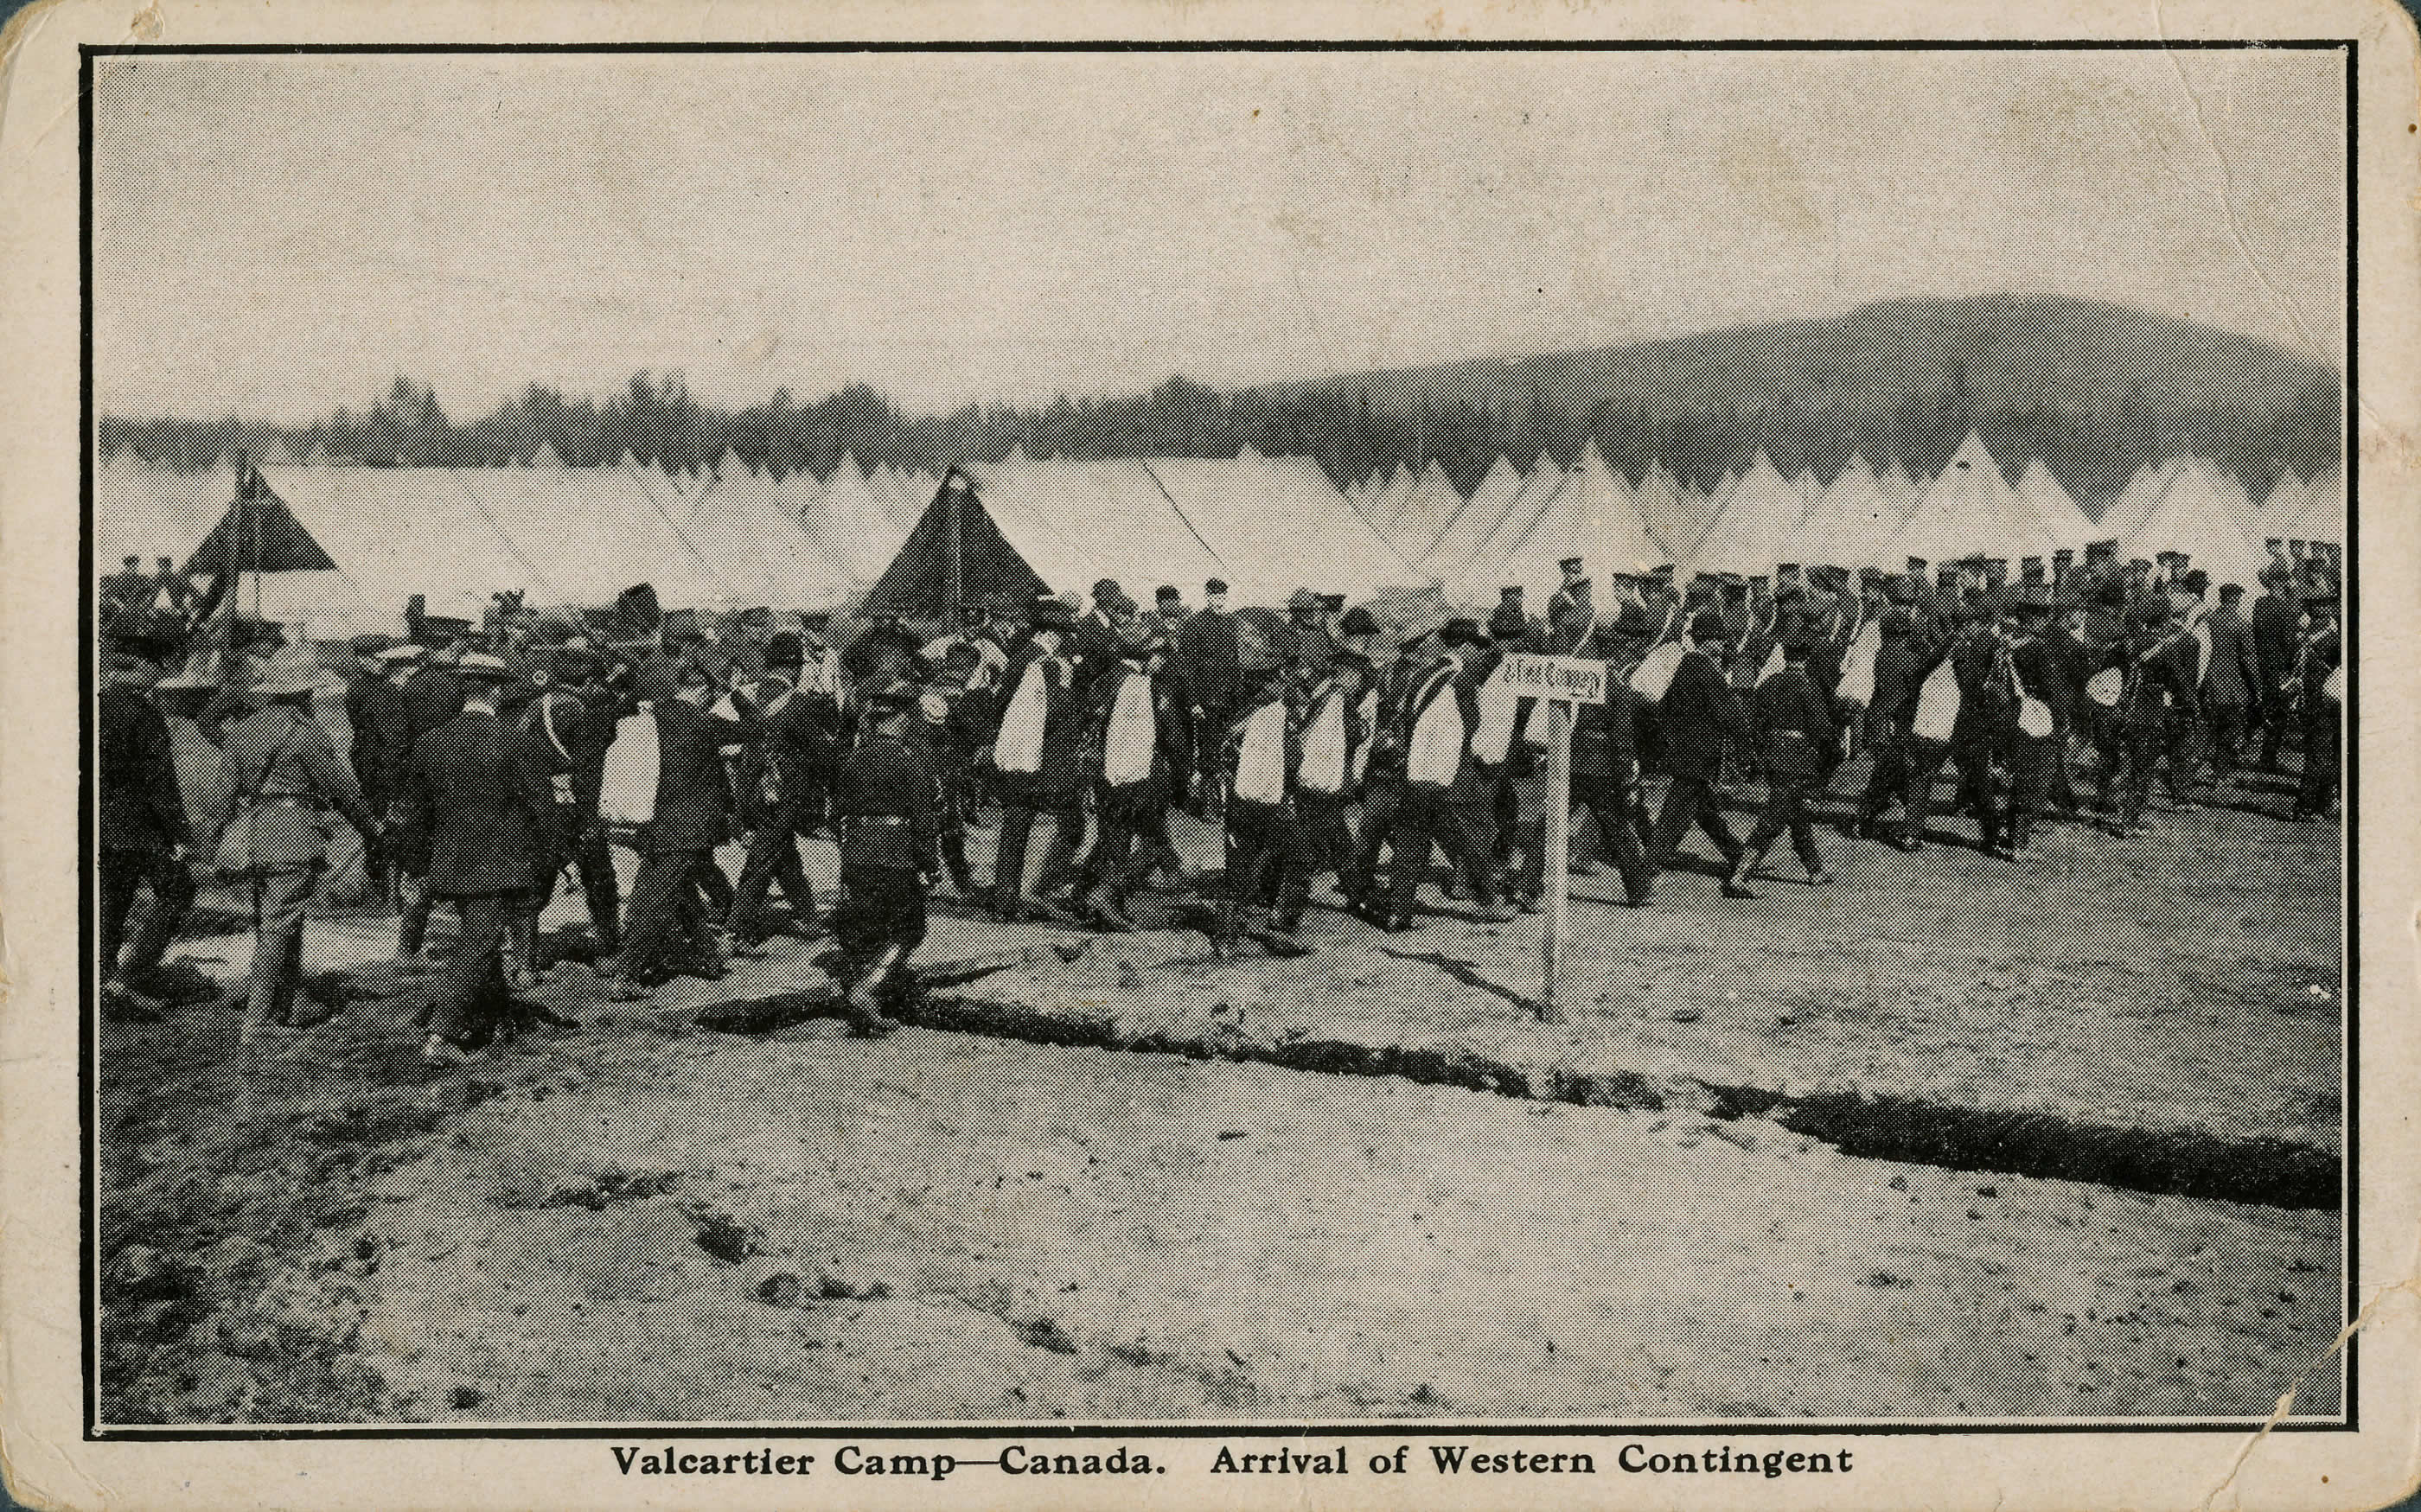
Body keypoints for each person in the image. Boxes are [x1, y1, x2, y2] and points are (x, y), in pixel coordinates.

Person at [404, 654, 560, 1066]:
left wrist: (418, 865)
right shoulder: (510, 743)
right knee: (481, 940)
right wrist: (544, 861)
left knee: (480, 936)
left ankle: (501, 1017)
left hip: (449, 861)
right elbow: (540, 809)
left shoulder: (432, 741)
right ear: (497, 689)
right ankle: (441, 1033)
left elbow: (417, 810)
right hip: (497, 862)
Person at [214, 654, 380, 1042]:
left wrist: (215, 840)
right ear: (303, 694)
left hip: (248, 834)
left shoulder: (241, 732)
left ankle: (290, 1001)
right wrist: (369, 827)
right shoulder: (307, 734)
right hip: (291, 833)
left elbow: (223, 794)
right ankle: (255, 1024)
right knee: (279, 924)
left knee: (273, 922)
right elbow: (343, 792)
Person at [610, 660, 758, 999]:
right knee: (655, 899)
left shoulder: (634, 721)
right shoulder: (695, 720)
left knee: (671, 891)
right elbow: (755, 729)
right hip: (689, 828)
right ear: (675, 684)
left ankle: (706, 957)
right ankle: (628, 972)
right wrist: (733, 692)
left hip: (653, 825)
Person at [99, 625, 202, 1018]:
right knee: (179, 891)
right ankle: (131, 977)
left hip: (99, 827)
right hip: (138, 831)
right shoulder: (144, 714)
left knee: (109, 906)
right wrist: (181, 835)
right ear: (149, 669)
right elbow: (161, 782)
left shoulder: (96, 703)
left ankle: (107, 980)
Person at [828, 684, 937, 1036]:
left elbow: (837, 813)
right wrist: (929, 863)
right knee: (909, 930)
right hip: (895, 855)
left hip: (856, 854)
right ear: (902, 720)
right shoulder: (909, 763)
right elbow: (923, 819)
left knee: (866, 926)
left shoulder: (853, 759)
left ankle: (859, 988)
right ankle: (867, 989)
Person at [1075, 619, 1186, 930]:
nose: (1163, 661)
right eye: (1161, 654)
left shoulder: (1107, 680)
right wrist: (1182, 781)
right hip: (1140, 778)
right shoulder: (1148, 687)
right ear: (1149, 655)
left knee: (1113, 840)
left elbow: (1086, 720)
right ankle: (1106, 895)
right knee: (1154, 844)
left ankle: (1084, 897)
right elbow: (1173, 739)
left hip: (1107, 776)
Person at [515, 645, 623, 968]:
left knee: (537, 881)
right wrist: (591, 817)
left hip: (536, 806)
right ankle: (609, 949)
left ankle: (526, 962)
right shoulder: (577, 711)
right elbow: (587, 771)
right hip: (572, 809)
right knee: (599, 876)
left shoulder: (533, 708)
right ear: (587, 678)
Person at [1377, 619, 1486, 931]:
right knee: (1474, 828)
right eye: (1477, 647)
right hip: (1445, 775)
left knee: (1412, 841)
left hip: (1414, 772)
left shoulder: (1425, 673)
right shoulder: (1461, 680)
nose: (1480, 654)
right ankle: (1489, 893)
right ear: (1465, 646)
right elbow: (1471, 727)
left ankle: (1399, 911)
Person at [725, 634, 827, 951]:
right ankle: (737, 930)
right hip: (782, 792)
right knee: (764, 855)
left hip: (747, 788)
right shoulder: (796, 704)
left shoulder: (742, 696)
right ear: (795, 668)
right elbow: (821, 751)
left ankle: (805, 914)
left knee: (784, 853)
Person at [989, 608, 1086, 922]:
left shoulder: (1033, 658)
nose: (1063, 642)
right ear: (1047, 633)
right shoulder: (1035, 662)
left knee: (1018, 827)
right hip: (1033, 757)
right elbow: (1012, 704)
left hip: (1030, 755)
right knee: (1023, 824)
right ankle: (1015, 897)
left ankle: (1009, 896)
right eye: (1060, 635)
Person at [1725, 637, 1836, 898]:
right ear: (1808, 659)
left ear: (1785, 656)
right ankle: (1739, 875)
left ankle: (1814, 869)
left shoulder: (1769, 683)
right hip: (1798, 758)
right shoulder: (1809, 688)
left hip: (1773, 756)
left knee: (1796, 814)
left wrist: (1762, 749)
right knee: (1774, 817)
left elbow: (1754, 721)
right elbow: (1821, 730)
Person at [1645, 613, 1749, 876]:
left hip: (1686, 751)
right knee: (1675, 813)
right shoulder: (1704, 667)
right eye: (1718, 638)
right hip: (1698, 754)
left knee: (1704, 810)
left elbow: (1665, 708)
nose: (1723, 643)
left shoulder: (1687, 664)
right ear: (1708, 640)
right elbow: (1728, 713)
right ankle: (1648, 866)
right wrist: (1746, 734)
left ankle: (1736, 853)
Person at [1218, 660, 1306, 948]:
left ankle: (1228, 925)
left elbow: (1226, 756)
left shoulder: (1241, 716)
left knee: (1243, 859)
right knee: (1298, 856)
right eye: (1280, 682)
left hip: (1240, 801)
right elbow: (1293, 764)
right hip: (1271, 804)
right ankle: (1280, 920)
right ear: (1272, 684)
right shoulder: (1281, 718)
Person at [1172, 577, 1240, 816]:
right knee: (1208, 749)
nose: (1219, 601)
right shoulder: (1194, 625)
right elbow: (1186, 668)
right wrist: (1193, 702)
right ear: (1207, 596)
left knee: (1225, 747)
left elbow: (1235, 663)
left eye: (1222, 596)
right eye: (1214, 596)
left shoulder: (1232, 624)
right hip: (1205, 698)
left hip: (1229, 697)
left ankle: (1224, 799)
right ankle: (1208, 802)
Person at [2201, 583, 2262, 788]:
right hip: (2232, 686)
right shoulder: (2242, 624)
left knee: (2210, 726)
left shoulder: (2209, 619)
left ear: (2221, 598)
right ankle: (2221, 773)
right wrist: (2257, 689)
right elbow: (2249, 660)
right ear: (2237, 599)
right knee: (2229, 729)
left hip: (2209, 682)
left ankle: (2204, 767)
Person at [2290, 593, 2342, 820]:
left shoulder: (2303, 638)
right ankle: (2308, 807)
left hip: (2310, 703)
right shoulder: (2332, 639)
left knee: (2320, 755)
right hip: (2327, 703)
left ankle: (2320, 804)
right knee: (2323, 756)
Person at [2251, 561, 2303, 772]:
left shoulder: (2260, 604)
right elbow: (2289, 641)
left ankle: (2248, 747)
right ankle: (2268, 757)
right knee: (2279, 710)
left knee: (2267, 706)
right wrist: (2292, 664)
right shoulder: (2285, 609)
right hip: (2280, 666)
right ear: (2280, 583)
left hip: (2264, 663)